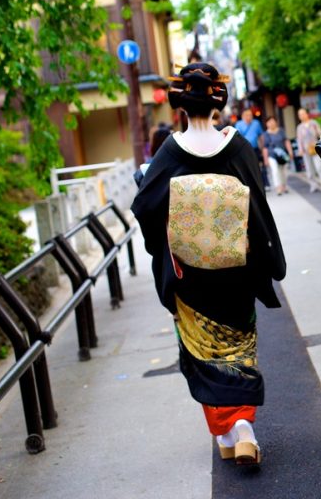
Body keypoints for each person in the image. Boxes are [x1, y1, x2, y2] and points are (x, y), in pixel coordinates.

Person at [131, 63, 286, 465]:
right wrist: (266, 257)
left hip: (190, 276)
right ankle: (245, 429)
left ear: (180, 103)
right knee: (237, 347)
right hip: (236, 271)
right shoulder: (237, 148)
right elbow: (259, 208)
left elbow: (145, 207)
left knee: (204, 352)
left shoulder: (170, 150)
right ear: (219, 101)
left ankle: (225, 433)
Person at [234, 109, 269, 190]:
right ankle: (250, 185)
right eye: (246, 115)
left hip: (255, 149)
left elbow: (260, 136)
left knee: (259, 166)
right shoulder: (238, 124)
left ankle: (264, 184)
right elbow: (237, 138)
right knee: (247, 168)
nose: (248, 117)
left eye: (250, 115)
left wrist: (262, 147)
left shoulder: (256, 123)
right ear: (242, 116)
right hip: (244, 150)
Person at [261, 116, 294, 196]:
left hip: (283, 155)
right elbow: (265, 147)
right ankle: (278, 187)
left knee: (284, 171)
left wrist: (290, 151)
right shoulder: (265, 134)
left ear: (276, 122)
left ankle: (284, 185)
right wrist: (265, 159)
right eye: (269, 122)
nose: (271, 123)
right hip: (271, 155)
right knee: (275, 171)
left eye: (273, 121)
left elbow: (286, 141)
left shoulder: (281, 131)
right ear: (267, 124)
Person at [296, 108, 321, 192]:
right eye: (300, 115)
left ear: (307, 114)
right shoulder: (299, 127)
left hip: (316, 148)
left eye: (303, 113)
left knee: (319, 166)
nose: (302, 116)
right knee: (309, 169)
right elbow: (299, 140)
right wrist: (300, 150)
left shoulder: (313, 123)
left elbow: (320, 133)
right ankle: (313, 184)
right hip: (306, 150)